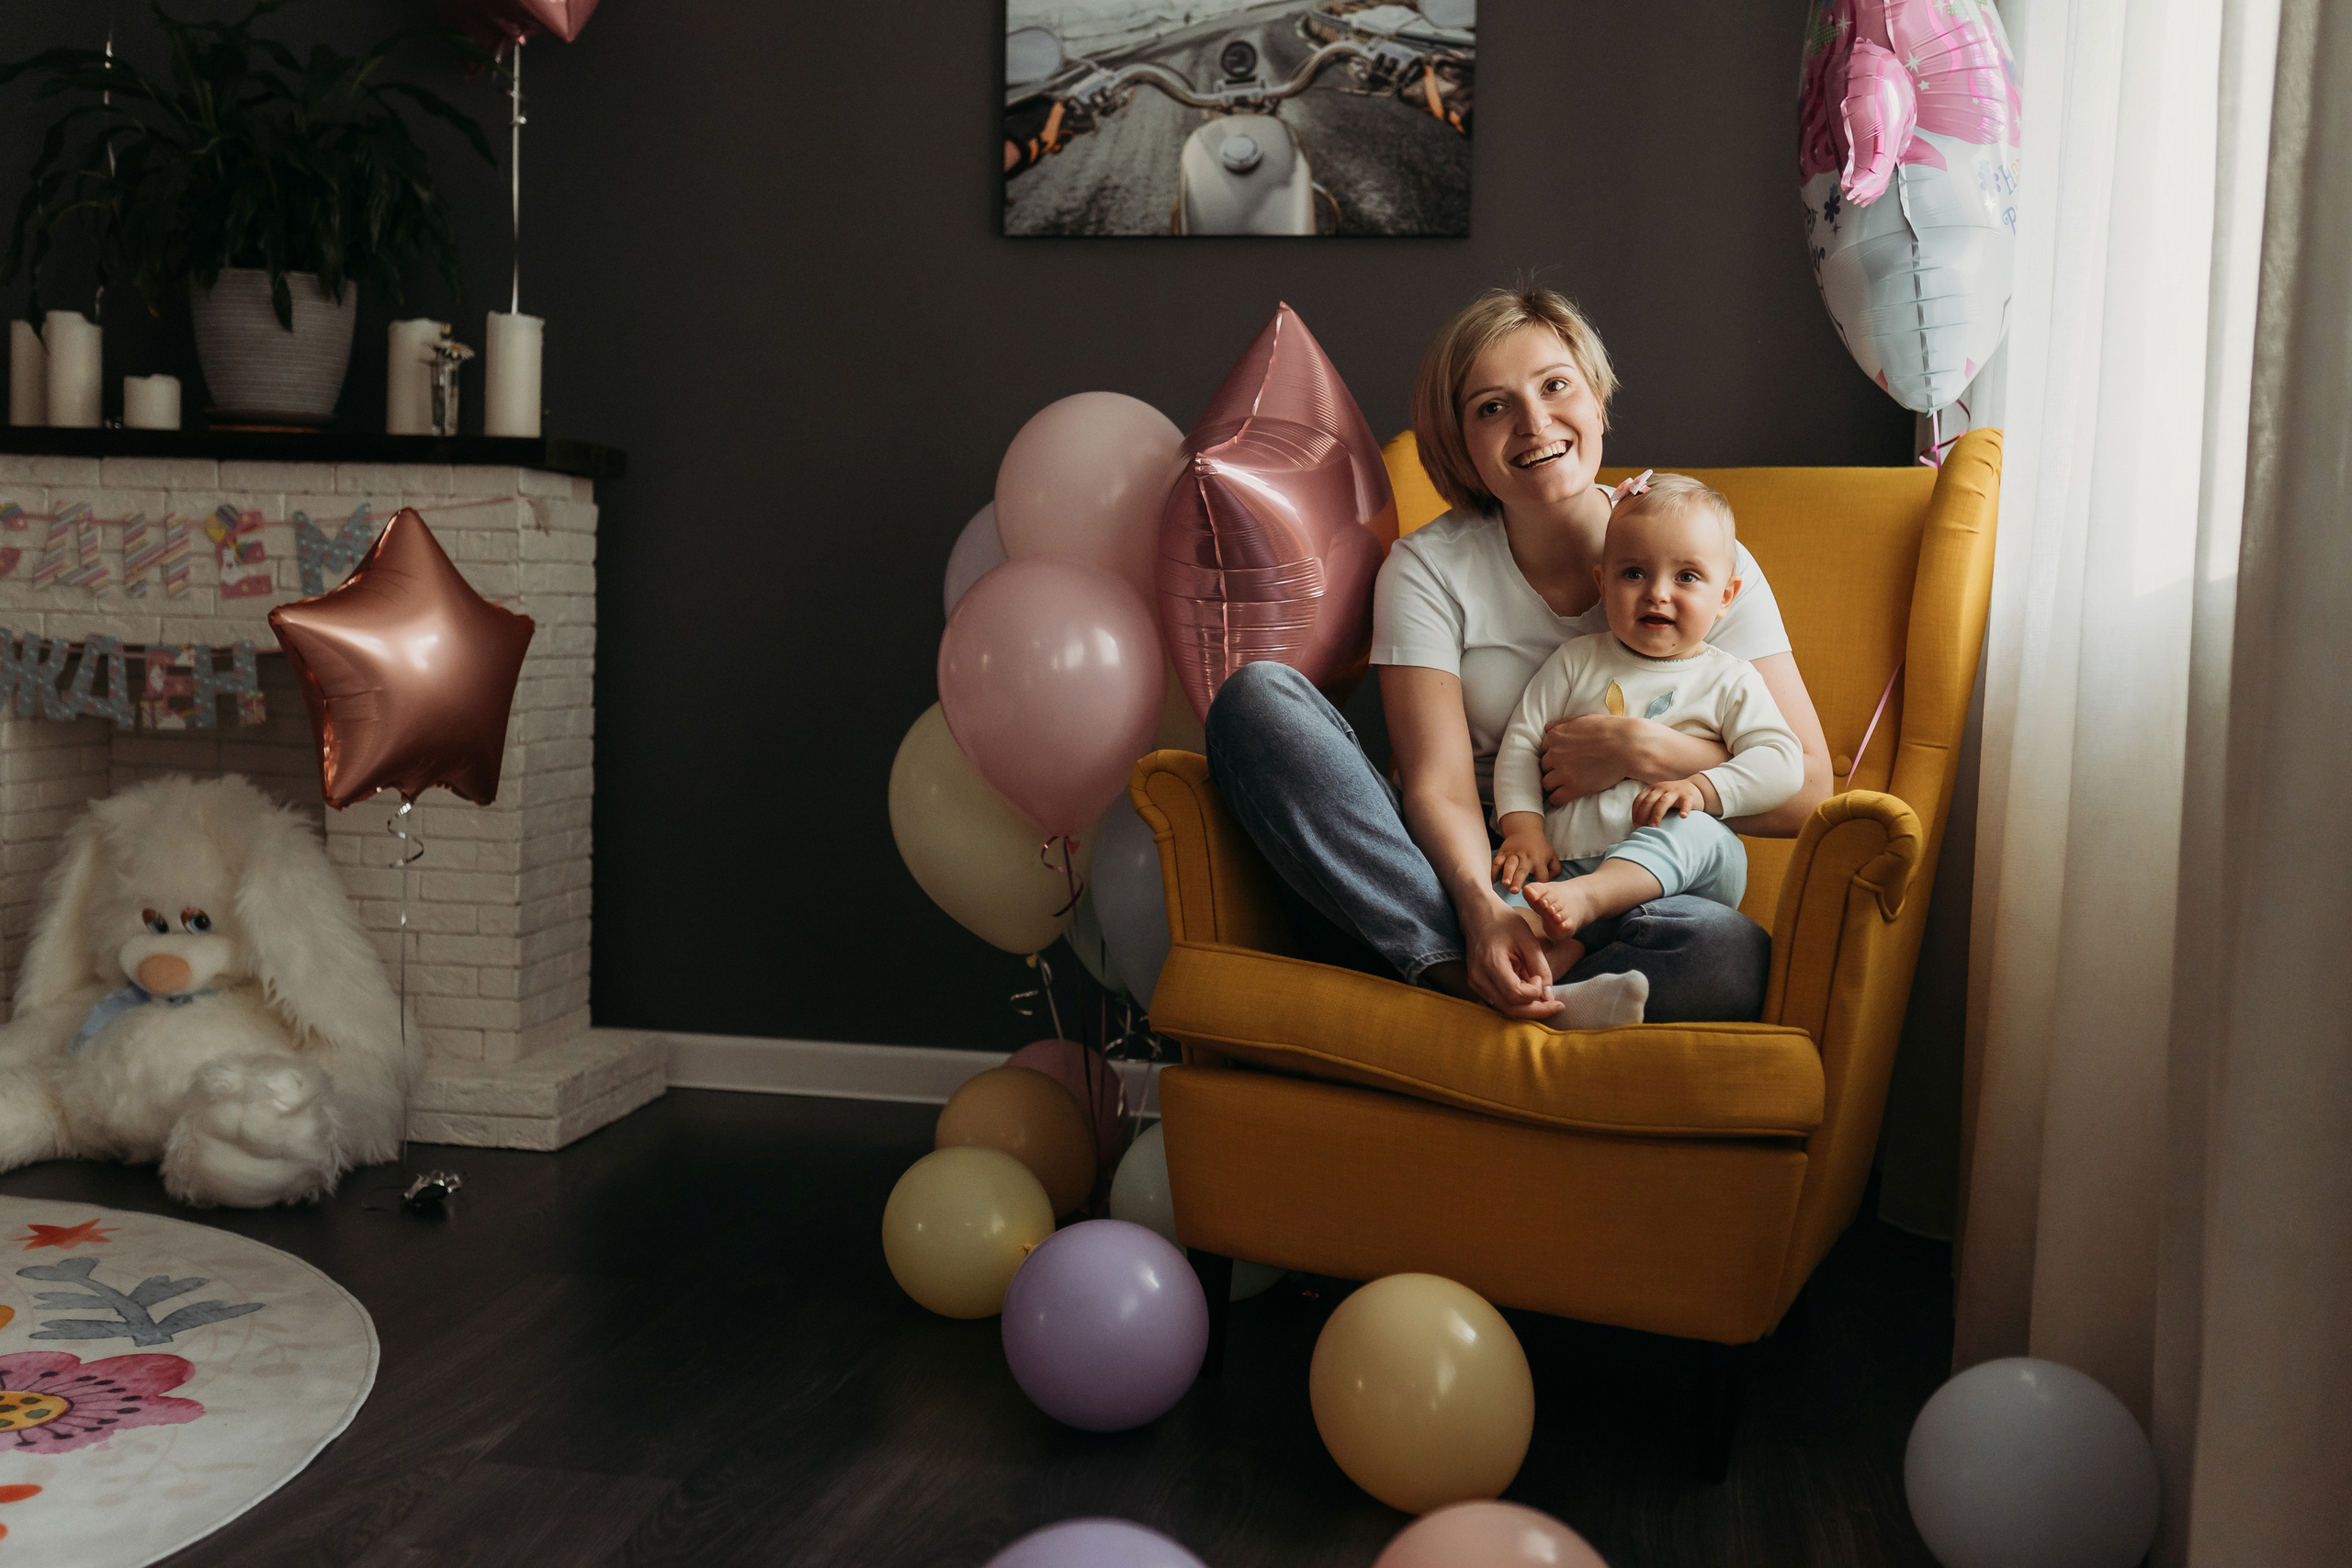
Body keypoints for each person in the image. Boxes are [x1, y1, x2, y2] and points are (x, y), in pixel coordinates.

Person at [1204, 284, 1832, 1023]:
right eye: (1492, 407)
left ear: (1597, 400)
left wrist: (1640, 750)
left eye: (1556, 386)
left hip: (1639, 879)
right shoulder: (1428, 568)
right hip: (1475, 863)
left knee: (1728, 953)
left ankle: (1471, 984)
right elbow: (1437, 785)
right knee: (1257, 701)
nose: (1534, 422)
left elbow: (1807, 789)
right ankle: (1476, 971)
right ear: (1460, 444)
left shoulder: (1701, 560)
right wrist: (1483, 910)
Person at [1488, 473, 1805, 998]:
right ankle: (1563, 988)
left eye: (1687, 577)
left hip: (1676, 881)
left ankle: (1593, 904)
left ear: (1726, 597)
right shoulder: (1575, 662)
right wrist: (1524, 830)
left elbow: (1783, 761)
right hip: (1565, 869)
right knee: (1498, 907)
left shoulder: (1730, 680)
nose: (1658, 593)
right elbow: (1521, 745)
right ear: (1602, 583)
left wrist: (1701, 789)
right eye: (1633, 573)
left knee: (1700, 831)